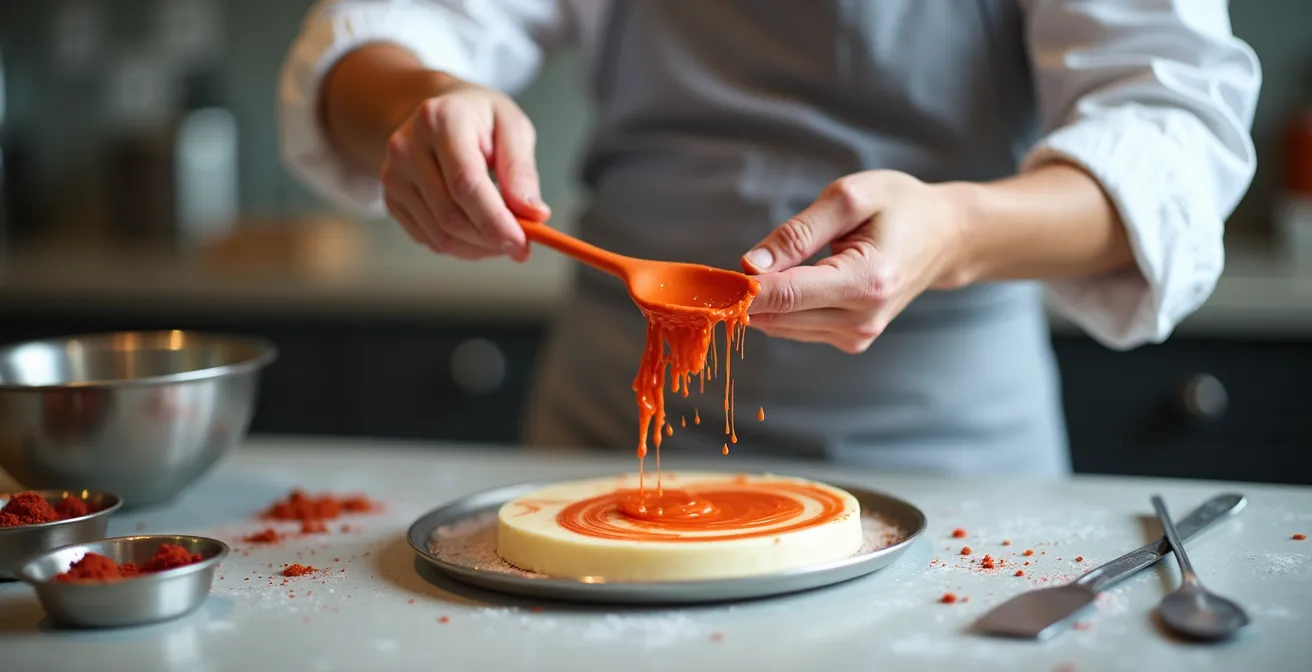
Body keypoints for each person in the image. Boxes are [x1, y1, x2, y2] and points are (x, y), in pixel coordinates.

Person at [278, 1, 1260, 477]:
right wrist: (426, 106)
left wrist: (953, 229)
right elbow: (384, 37)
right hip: (611, 442)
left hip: (946, 459)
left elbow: (1174, 132)